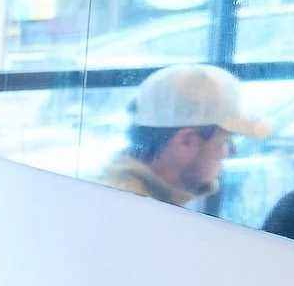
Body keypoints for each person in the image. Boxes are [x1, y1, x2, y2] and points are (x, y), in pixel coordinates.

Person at [97, 63, 273, 209]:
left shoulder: (138, 200)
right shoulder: (134, 213)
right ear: (187, 141)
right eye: (226, 140)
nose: (231, 153)